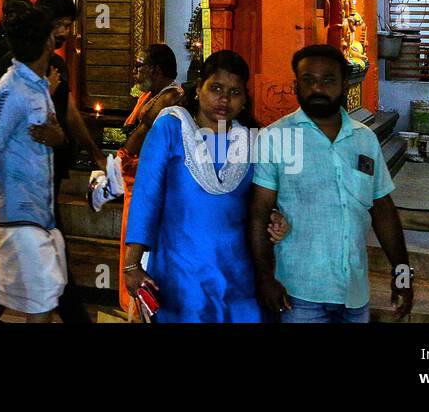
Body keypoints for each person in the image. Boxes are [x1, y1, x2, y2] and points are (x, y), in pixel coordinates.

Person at [249, 44, 413, 322]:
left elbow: (383, 209)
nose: (317, 88)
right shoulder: (274, 138)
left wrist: (403, 274)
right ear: (295, 85)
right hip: (298, 294)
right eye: (308, 80)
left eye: (328, 80)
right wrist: (265, 278)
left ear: (345, 84)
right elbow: (259, 213)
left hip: (354, 294)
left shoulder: (365, 139)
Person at [122, 50, 288, 322]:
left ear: (245, 99)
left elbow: (259, 202)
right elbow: (147, 197)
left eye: (235, 92)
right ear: (199, 89)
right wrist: (132, 263)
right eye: (216, 88)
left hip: (238, 272)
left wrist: (274, 218)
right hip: (180, 271)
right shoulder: (171, 128)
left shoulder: (251, 141)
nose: (224, 99)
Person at [0, 5, 68, 322]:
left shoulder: (37, 85)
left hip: (37, 215)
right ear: (47, 43)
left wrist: (57, 136)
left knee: (2, 299)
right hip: (16, 217)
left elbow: (51, 132)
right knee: (40, 303)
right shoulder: (10, 91)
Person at [116, 43, 183, 313]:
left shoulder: (169, 98)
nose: (135, 71)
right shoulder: (154, 94)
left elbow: (145, 136)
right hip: (134, 173)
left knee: (137, 234)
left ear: (155, 69)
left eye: (139, 65)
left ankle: (142, 303)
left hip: (146, 178)